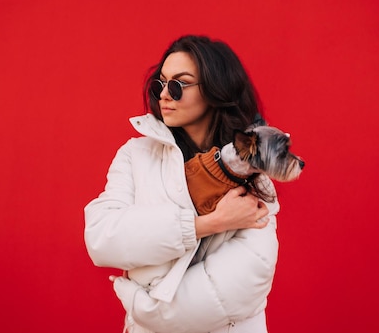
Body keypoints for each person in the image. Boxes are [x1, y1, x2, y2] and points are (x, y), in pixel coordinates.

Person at [84, 35, 280, 333]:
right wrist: (207, 224)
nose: (164, 95)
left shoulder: (251, 175)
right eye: (160, 84)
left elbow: (241, 286)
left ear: (216, 91)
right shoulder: (136, 155)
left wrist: (141, 303)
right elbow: (102, 238)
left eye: (178, 85)